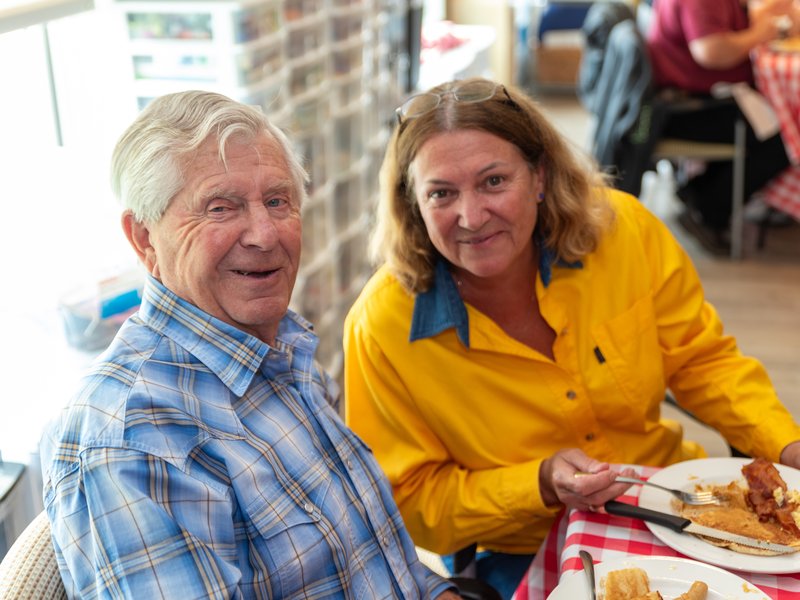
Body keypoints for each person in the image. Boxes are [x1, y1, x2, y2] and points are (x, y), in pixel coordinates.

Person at [342, 77, 800, 598]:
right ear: (413, 206)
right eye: (441, 193)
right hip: (521, 548)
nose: (470, 217)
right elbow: (414, 504)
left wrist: (784, 443)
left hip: (672, 500)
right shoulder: (379, 327)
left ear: (539, 176)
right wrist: (537, 481)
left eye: (494, 181)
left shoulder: (623, 231)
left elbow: (702, 360)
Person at [39, 90, 462, 599]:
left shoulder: (283, 349)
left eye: (278, 201)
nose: (265, 234)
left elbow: (388, 572)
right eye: (221, 208)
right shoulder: (133, 436)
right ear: (144, 240)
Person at [646, 0, 799, 253]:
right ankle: (707, 212)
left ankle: (699, 194)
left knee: (775, 122)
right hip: (685, 109)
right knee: (785, 135)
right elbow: (710, 51)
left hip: (693, 98)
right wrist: (761, 34)